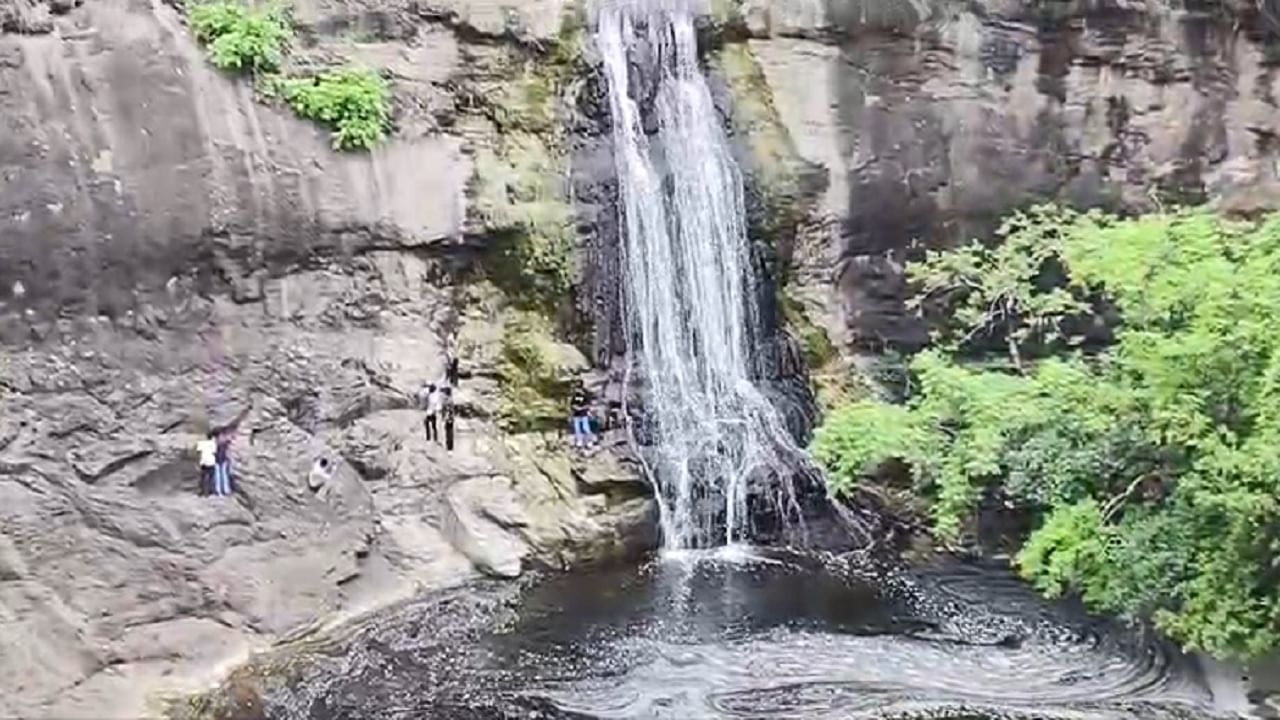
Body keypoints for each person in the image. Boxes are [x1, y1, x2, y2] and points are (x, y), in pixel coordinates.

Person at [213, 429, 234, 497]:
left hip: (222, 460)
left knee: (222, 475)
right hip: (218, 460)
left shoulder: (221, 443)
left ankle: (224, 490)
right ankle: (220, 490)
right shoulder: (218, 443)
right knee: (219, 476)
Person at [196, 431, 217, 496]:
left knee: (202, 477)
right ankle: (209, 491)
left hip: (203, 461)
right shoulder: (213, 443)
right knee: (211, 477)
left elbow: (198, 452)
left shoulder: (201, 443)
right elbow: (214, 452)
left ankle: (201, 491)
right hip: (211, 461)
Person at [442, 386, 456, 451]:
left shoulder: (447, 400)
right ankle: (450, 446)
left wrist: (444, 417)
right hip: (450, 418)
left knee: (449, 433)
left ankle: (449, 447)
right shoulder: (450, 399)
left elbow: (446, 410)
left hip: (449, 418)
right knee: (449, 432)